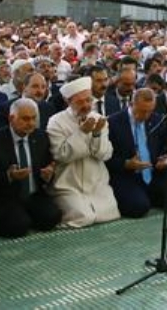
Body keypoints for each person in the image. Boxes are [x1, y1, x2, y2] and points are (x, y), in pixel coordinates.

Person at [0, 97, 61, 238]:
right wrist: (9, 176)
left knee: (52, 217)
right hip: (5, 196)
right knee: (18, 227)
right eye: (25, 119)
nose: (31, 123)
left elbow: (47, 167)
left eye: (34, 118)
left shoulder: (40, 137)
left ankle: (25, 216)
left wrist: (47, 174)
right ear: (11, 118)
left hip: (33, 194)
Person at [45, 76, 120, 228]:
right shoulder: (56, 122)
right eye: (80, 102)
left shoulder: (98, 118)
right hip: (68, 183)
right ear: (68, 102)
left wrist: (97, 134)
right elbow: (62, 155)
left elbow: (104, 155)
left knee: (108, 214)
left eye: (88, 100)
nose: (86, 105)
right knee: (83, 217)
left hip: (96, 182)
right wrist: (81, 133)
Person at [107, 88, 167, 217]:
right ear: (132, 105)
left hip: (153, 174)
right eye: (142, 111)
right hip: (127, 176)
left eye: (150, 111)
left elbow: (166, 147)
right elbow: (106, 158)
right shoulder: (114, 123)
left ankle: (147, 196)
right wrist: (126, 164)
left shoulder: (157, 120)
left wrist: (165, 158)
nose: (146, 116)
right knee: (139, 208)